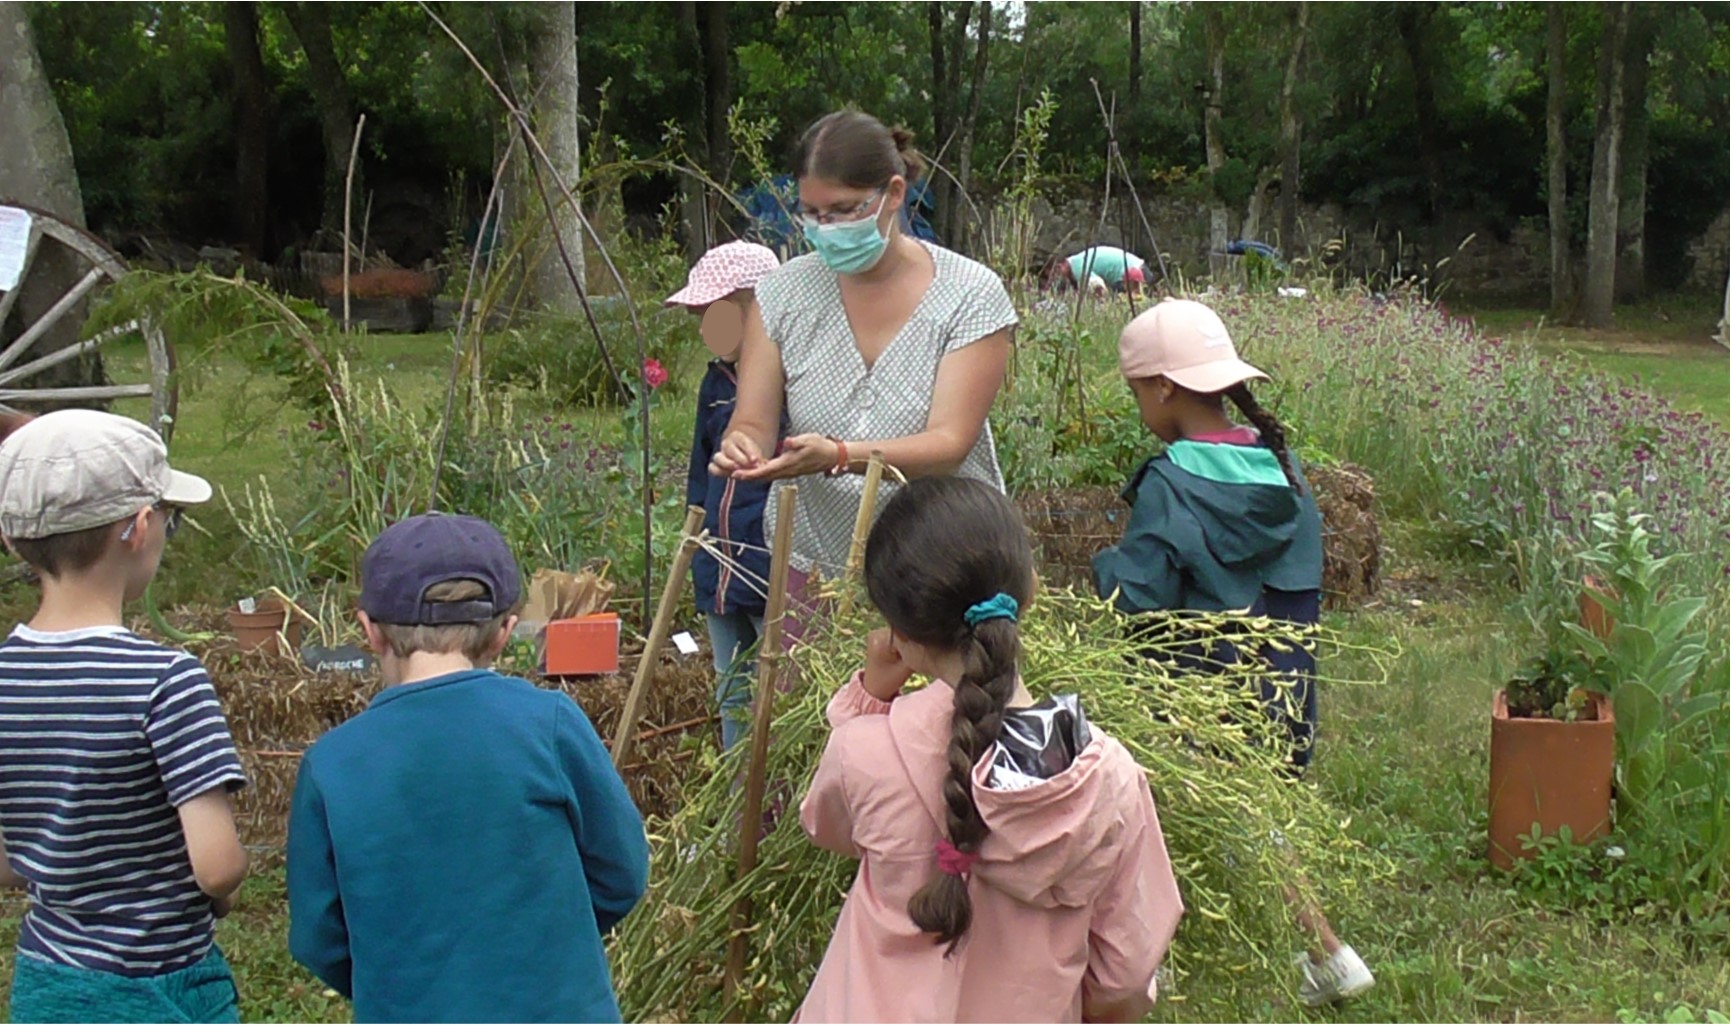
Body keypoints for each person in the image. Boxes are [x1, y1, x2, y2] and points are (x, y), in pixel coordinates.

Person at [797, 476, 1183, 1023]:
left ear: (898, 634)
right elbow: (1124, 972)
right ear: (1029, 589)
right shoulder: (1112, 779)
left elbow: (826, 827)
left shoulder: (865, 752)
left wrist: (868, 696)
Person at [1089, 298, 1375, 1007]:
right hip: (1281, 692)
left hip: (1195, 697)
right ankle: (1319, 951)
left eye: (1134, 391)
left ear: (1159, 387)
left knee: (1196, 821)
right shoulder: (1283, 470)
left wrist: (1102, 568)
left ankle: (1318, 951)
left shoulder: (1170, 483)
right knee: (1252, 817)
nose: (1138, 406)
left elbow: (1137, 597)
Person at [286, 512, 649, 1023]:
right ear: (504, 631)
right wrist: (548, 946)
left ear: (369, 631)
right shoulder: (549, 724)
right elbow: (622, 872)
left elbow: (318, 935)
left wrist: (397, 977)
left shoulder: (331, 764)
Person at [710, 110, 1018, 617]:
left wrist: (838, 454)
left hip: (946, 562)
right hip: (817, 564)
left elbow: (948, 445)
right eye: (811, 214)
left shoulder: (969, 295)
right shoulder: (782, 293)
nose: (825, 229)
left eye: (844, 210)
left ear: (893, 195)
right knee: (815, 696)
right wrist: (742, 447)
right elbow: (753, 420)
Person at [0, 410, 249, 1023]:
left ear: (13, 540)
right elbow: (215, 867)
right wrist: (232, 884)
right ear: (140, 528)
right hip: (160, 986)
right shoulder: (167, 681)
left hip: (47, 983)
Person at [668, 241, 781, 750]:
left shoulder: (790, 382)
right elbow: (701, 472)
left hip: (770, 559)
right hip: (719, 558)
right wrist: (696, 543)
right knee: (730, 682)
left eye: (715, 313)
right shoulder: (715, 383)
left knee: (778, 681)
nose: (706, 328)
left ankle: (773, 791)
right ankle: (736, 790)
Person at [1056, 246, 1148, 296]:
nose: (1058, 276)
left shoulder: (1078, 268)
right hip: (1137, 266)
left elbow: (1097, 285)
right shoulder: (1078, 260)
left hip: (1131, 273)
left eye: (1057, 272)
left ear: (1061, 266)